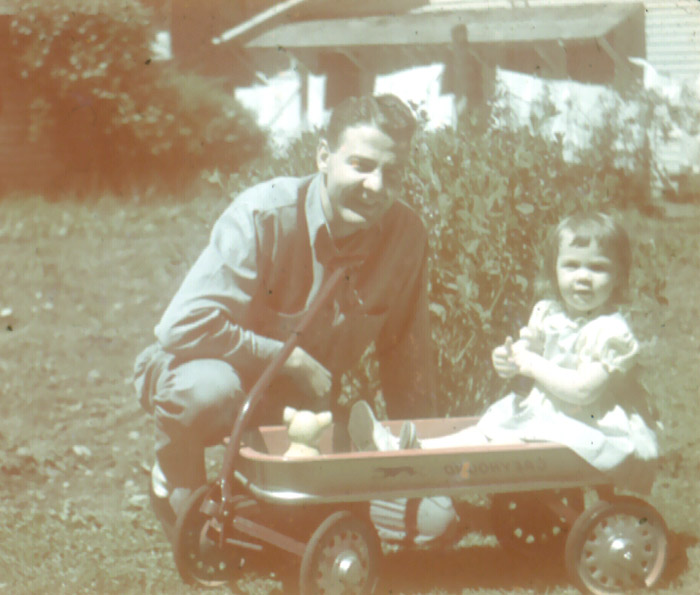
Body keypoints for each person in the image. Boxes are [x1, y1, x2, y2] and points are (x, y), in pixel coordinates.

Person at [133, 94, 435, 539]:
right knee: (206, 395)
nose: (376, 186)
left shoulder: (405, 235)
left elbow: (406, 356)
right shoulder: (264, 214)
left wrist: (422, 463)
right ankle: (174, 477)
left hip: (302, 410)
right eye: (361, 165)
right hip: (216, 378)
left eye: (393, 173)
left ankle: (256, 491)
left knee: (433, 523)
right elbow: (182, 326)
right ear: (324, 156)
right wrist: (289, 358)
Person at [350, 212, 659, 493]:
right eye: (572, 265)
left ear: (618, 276)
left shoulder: (610, 333)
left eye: (598, 268)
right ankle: (408, 447)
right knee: (484, 431)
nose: (583, 277)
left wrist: (532, 365)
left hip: (586, 426)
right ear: (555, 270)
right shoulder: (549, 313)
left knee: (496, 441)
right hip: (549, 413)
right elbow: (529, 349)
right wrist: (510, 359)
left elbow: (584, 391)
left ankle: (409, 451)